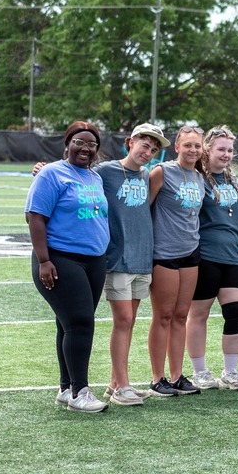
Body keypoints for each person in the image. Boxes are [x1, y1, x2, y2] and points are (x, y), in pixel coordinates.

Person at [26, 121, 110, 413]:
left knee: (69, 323)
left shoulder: (93, 177)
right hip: (61, 258)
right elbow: (36, 217)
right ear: (67, 144)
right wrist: (44, 260)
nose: (85, 148)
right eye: (79, 142)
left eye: (91, 144)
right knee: (81, 322)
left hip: (94, 259)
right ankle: (80, 392)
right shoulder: (51, 173)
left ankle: (66, 388)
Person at [96, 123, 170, 405]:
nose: (148, 152)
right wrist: (44, 170)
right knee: (123, 320)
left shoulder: (147, 176)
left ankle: (115, 384)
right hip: (117, 257)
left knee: (130, 322)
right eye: (144, 145)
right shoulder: (107, 171)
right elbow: (78, 177)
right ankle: (123, 386)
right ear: (130, 142)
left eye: (153, 149)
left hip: (142, 258)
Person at [186, 126, 238, 391]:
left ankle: (231, 372)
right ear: (207, 150)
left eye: (229, 150)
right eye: (220, 149)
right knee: (198, 314)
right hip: (206, 257)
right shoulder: (195, 178)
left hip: (234, 257)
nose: (225, 154)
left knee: (236, 313)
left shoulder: (230, 179)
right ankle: (200, 372)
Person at [147, 126, 205, 396]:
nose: (193, 150)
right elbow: (142, 208)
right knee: (163, 315)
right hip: (164, 254)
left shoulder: (199, 176)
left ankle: (177, 375)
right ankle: (157, 378)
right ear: (177, 147)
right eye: (188, 145)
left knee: (181, 315)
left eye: (197, 145)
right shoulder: (162, 172)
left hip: (191, 253)